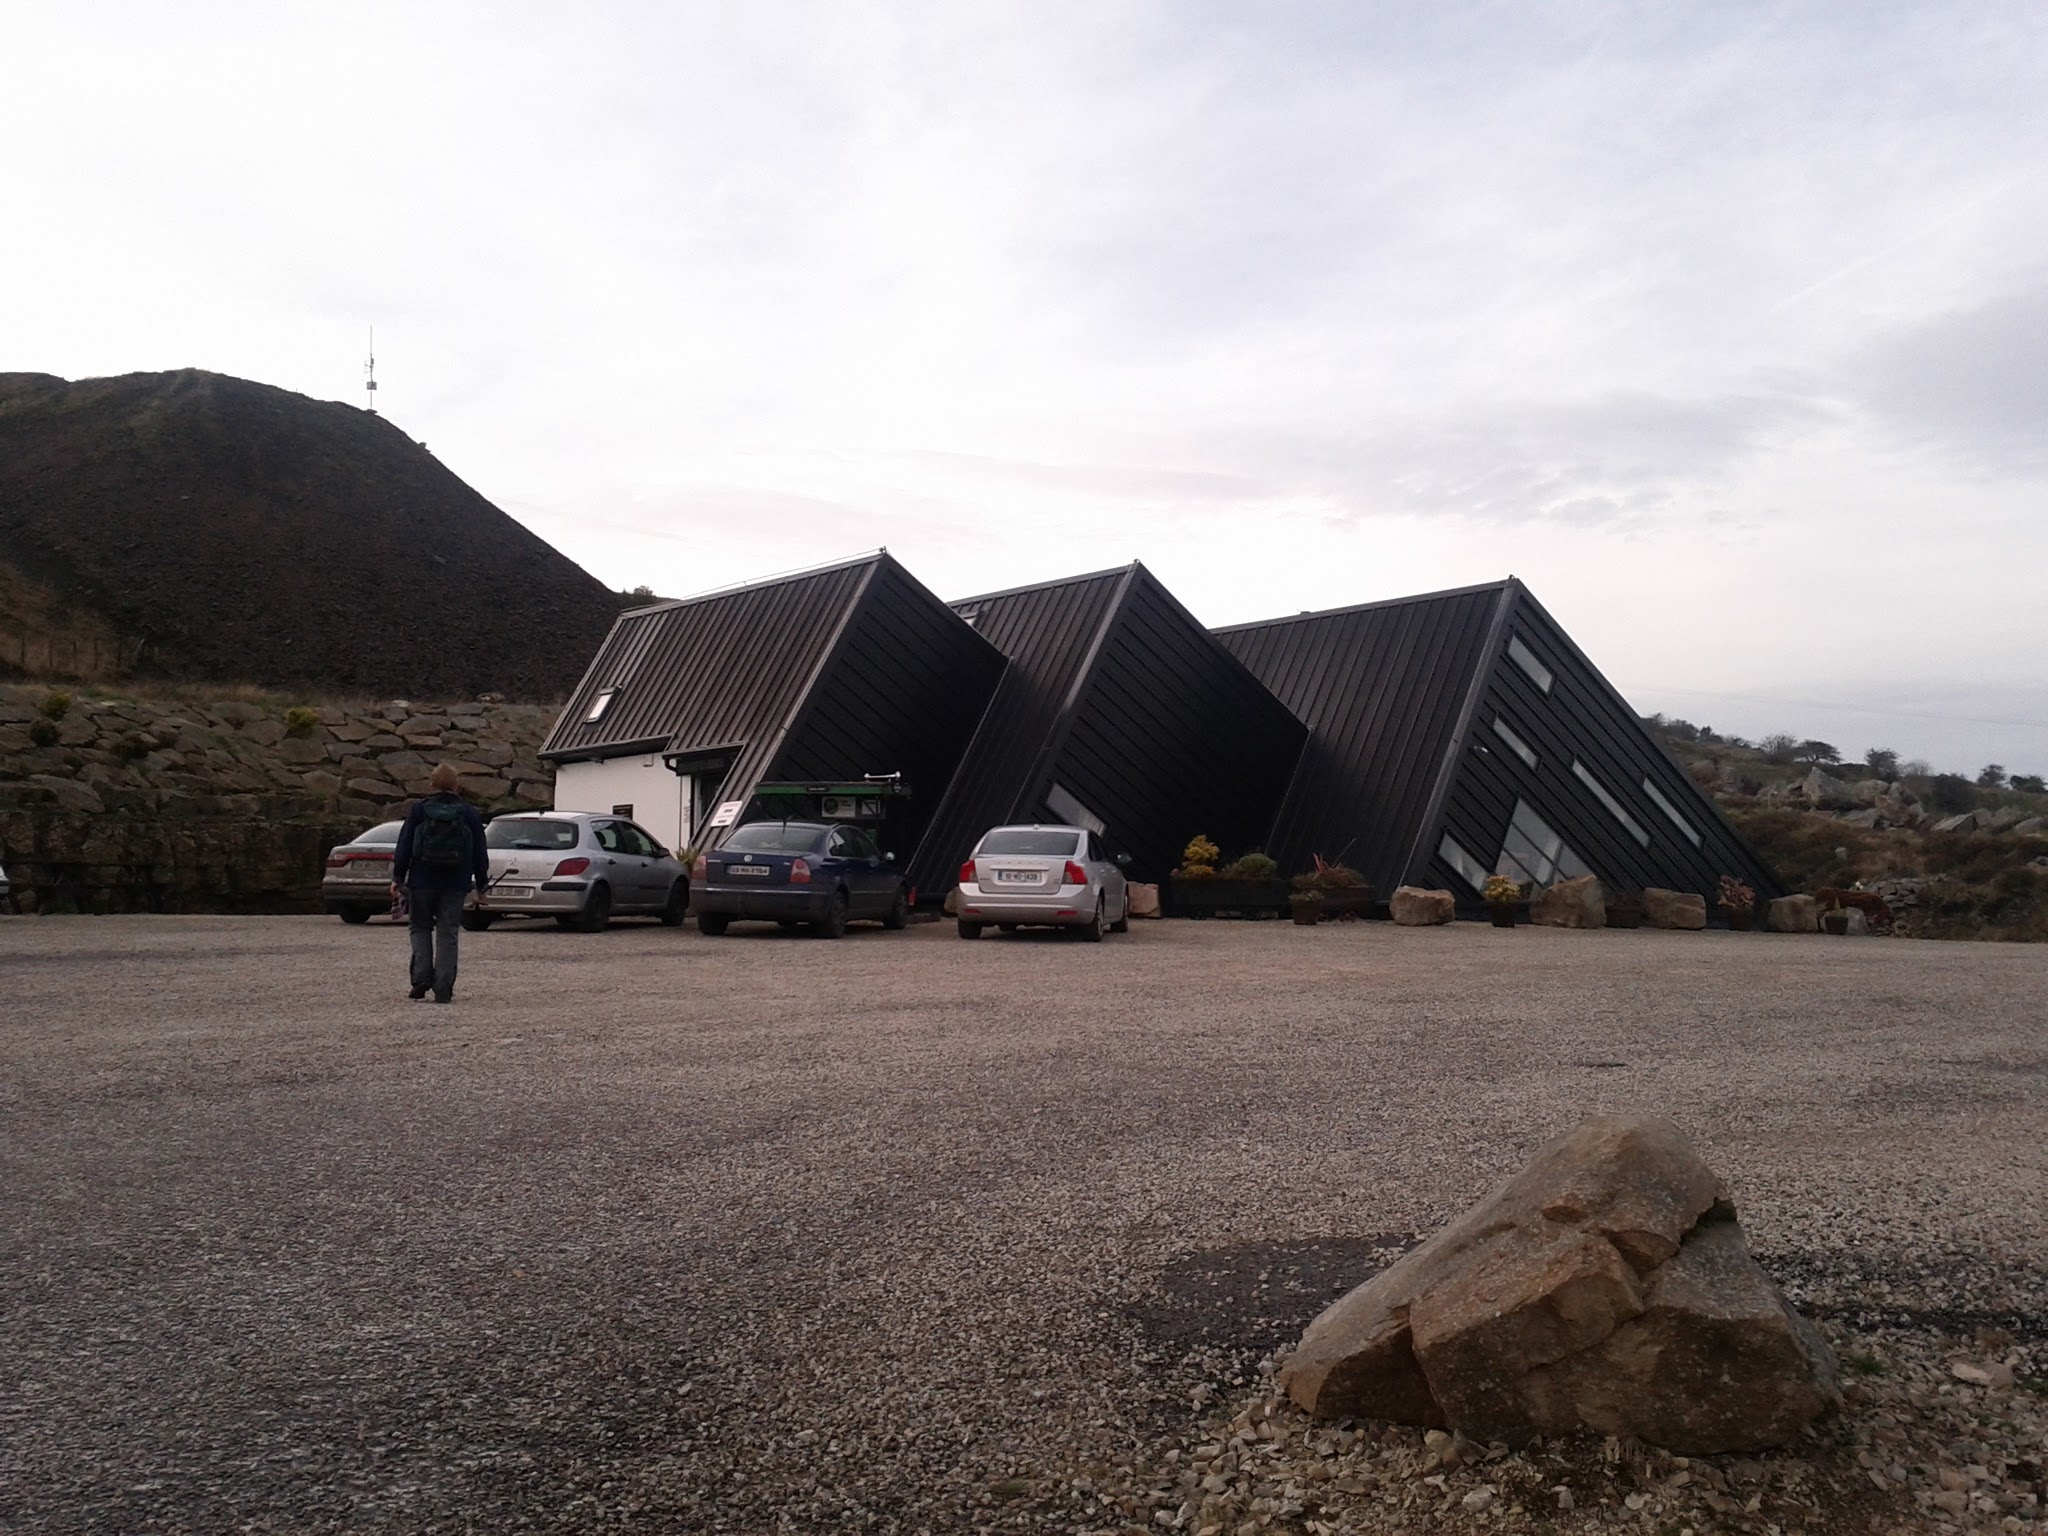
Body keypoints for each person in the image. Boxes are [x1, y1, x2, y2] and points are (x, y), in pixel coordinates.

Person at [391, 764, 490, 1004]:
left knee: (420, 928)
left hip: (422, 880)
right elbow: (479, 851)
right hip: (455, 882)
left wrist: (397, 878)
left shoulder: (419, 810)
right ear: (457, 785)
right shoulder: (468, 813)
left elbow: (404, 845)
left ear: (431, 785)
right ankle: (443, 988)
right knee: (448, 933)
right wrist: (482, 885)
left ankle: (421, 979)